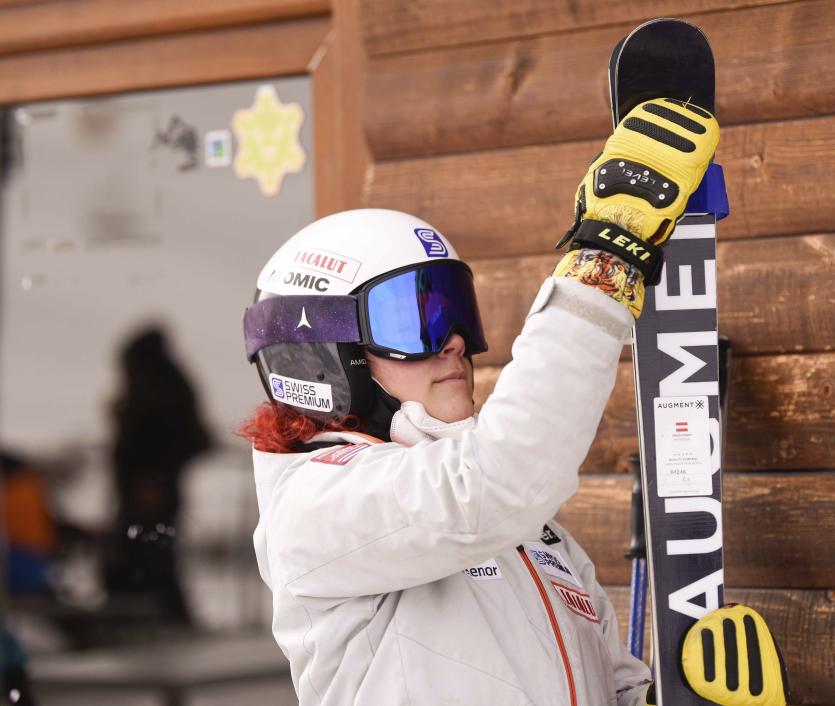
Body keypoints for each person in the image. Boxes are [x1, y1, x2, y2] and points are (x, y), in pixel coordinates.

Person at [241, 99, 787, 705]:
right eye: (410, 321)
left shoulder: (537, 539)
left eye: (453, 311)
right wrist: (604, 265)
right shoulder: (314, 509)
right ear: (320, 354)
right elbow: (493, 482)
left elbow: (613, 687)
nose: (451, 342)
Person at [104, 326, 210, 625]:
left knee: (147, 554)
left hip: (151, 489)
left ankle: (152, 617)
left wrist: (154, 477)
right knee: (147, 552)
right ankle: (152, 615)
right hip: (148, 487)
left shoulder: (159, 389)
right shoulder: (168, 384)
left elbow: (167, 438)